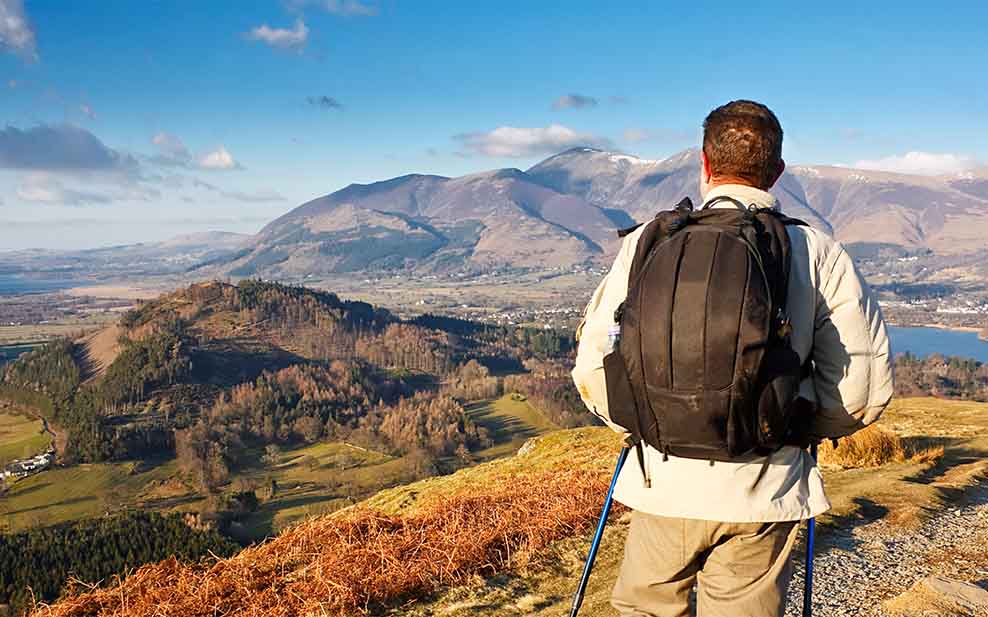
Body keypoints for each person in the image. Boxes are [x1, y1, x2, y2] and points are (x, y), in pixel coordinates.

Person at [572, 99, 893, 617]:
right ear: (777, 172)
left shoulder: (649, 242)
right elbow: (863, 386)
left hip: (663, 479)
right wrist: (800, 426)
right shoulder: (816, 252)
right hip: (765, 484)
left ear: (703, 162)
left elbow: (593, 366)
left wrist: (650, 424)